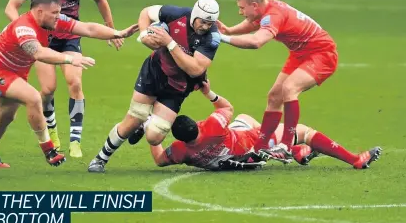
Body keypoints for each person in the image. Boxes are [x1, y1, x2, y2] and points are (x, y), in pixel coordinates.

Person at [0, 0, 138, 168]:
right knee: (33, 98)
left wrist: (118, 33)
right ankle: (49, 150)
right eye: (54, 13)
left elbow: (87, 28)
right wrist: (70, 58)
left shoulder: (53, 20)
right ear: (39, 12)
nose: (58, 17)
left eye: (58, 12)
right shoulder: (24, 27)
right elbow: (39, 53)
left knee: (5, 116)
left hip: (16, 73)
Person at [4, 0, 122, 157]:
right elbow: (11, 7)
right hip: (42, 41)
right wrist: (23, 30)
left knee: (75, 82)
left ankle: (75, 141)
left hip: (69, 37)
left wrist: (110, 28)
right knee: (48, 89)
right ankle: (52, 130)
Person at [87, 0, 223, 173]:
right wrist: (144, 35)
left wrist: (169, 43)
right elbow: (146, 13)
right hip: (154, 72)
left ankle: (146, 124)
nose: (205, 26)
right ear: (194, 15)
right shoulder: (176, 14)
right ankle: (100, 158)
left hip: (178, 87)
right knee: (134, 117)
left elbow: (195, 69)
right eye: (203, 22)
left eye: (209, 23)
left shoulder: (212, 37)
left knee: (154, 137)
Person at [219, 0, 339, 161]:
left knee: (289, 88)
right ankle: (258, 148)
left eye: (242, 8)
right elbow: (252, 23)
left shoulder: (274, 15)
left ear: (254, 5)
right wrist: (229, 30)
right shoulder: (265, 9)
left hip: (321, 53)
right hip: (300, 53)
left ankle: (286, 145)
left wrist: (222, 38)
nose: (240, 12)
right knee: (275, 96)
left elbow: (256, 41)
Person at [149, 81, 382, 171]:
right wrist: (208, 92)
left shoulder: (180, 151)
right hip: (251, 146)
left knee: (246, 117)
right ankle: (354, 159)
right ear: (196, 126)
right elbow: (226, 108)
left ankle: (297, 152)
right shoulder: (212, 127)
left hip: (226, 159)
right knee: (304, 131)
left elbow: (159, 158)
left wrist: (153, 131)